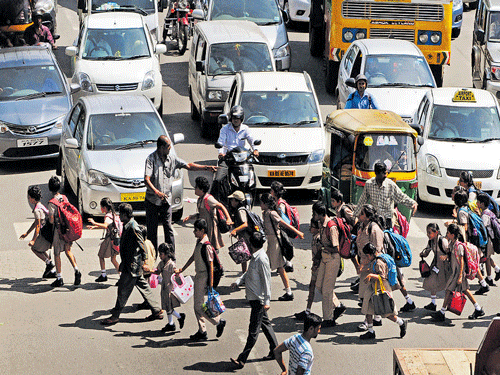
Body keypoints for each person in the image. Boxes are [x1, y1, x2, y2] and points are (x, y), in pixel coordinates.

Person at [144, 135, 216, 253]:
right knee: (152, 231)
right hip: (152, 201)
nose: (170, 149)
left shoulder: (172, 158)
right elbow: (146, 179)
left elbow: (188, 166)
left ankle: (170, 257)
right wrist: (157, 192)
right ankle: (152, 257)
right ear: (161, 148)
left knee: (168, 229)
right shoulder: (151, 159)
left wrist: (206, 167)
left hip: (165, 201)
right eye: (168, 147)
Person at [101, 203, 163, 325]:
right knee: (144, 287)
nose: (119, 216)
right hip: (132, 265)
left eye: (121, 214)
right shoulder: (128, 225)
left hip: (132, 266)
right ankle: (156, 310)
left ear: (125, 214)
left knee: (122, 290)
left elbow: (141, 244)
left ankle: (115, 316)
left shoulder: (134, 227)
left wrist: (145, 261)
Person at [230, 231, 279, 369]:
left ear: (252, 244)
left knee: (253, 331)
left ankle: (242, 359)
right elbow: (249, 273)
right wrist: (238, 281)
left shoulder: (262, 259)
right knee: (266, 325)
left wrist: (267, 301)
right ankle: (275, 350)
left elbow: (266, 281)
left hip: (258, 300)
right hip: (254, 299)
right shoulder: (255, 257)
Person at [174, 219, 226, 341]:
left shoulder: (206, 245)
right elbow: (193, 257)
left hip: (204, 277)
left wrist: (211, 285)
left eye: (196, 230)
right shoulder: (199, 242)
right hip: (198, 277)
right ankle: (202, 331)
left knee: (198, 306)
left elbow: (211, 266)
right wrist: (182, 269)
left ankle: (218, 322)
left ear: (202, 230)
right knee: (197, 305)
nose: (194, 232)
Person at [431, 224, 485, 322]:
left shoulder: (458, 246)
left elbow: (462, 262)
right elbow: (450, 254)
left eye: (448, 232)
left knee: (448, 290)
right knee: (465, 290)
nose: (446, 234)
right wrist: (446, 256)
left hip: (458, 273)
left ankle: (442, 312)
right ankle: (478, 309)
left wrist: (460, 276)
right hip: (455, 272)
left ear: (452, 234)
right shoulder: (452, 244)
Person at [260, 193, 304, 301]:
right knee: (272, 267)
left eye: (261, 202)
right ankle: (286, 292)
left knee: (276, 267)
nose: (260, 204)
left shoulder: (272, 213)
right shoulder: (265, 213)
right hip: (271, 243)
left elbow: (284, 223)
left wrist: (297, 232)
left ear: (265, 204)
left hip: (275, 243)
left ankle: (284, 292)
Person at [359, 243, 408, 340]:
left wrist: (370, 276)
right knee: (368, 309)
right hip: (373, 287)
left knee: (386, 312)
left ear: (370, 254)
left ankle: (401, 322)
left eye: (367, 255)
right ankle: (370, 331)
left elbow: (382, 276)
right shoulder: (376, 259)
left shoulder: (378, 262)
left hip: (381, 288)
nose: (367, 258)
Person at [311, 201, 346, 327]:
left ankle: (328, 319)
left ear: (320, 214)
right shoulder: (321, 224)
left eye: (314, 213)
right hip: (325, 258)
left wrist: (324, 248)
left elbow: (336, 248)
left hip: (332, 259)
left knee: (326, 290)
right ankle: (338, 305)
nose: (313, 216)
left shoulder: (331, 227)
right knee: (319, 285)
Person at [353, 162, 418, 230]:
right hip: (374, 220)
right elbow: (362, 201)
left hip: (387, 221)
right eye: (383, 173)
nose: (385, 175)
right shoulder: (369, 184)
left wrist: (413, 203)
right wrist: (355, 216)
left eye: (386, 173)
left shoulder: (390, 185)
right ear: (376, 173)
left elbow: (401, 197)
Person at [452, 189, 490, 295]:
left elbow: (464, 227)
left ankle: (461, 285)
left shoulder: (461, 212)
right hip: (469, 242)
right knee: (472, 263)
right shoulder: (466, 208)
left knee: (467, 263)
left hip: (466, 242)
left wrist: (463, 244)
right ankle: (483, 284)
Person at [355, 204, 385, 331]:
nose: (359, 215)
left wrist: (365, 264)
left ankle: (367, 322)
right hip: (365, 264)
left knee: (367, 296)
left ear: (367, 216)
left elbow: (377, 250)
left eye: (361, 213)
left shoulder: (374, 229)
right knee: (371, 293)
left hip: (371, 267)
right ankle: (376, 317)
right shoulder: (363, 226)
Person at [47, 176, 81, 287]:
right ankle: (76, 270)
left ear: (50, 188)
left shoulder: (52, 203)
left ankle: (59, 277)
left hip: (59, 231)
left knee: (57, 254)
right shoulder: (65, 198)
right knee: (68, 250)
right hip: (68, 229)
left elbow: (51, 220)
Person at [182, 176, 232, 251]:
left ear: (201, 189)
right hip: (203, 228)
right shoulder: (200, 199)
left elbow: (221, 206)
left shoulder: (208, 199)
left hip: (210, 228)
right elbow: (202, 214)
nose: (195, 189)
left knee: (210, 249)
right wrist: (191, 217)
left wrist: (228, 218)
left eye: (196, 187)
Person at [19, 185, 56, 279]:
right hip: (49, 232)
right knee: (42, 250)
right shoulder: (40, 205)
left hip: (45, 234)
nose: (28, 199)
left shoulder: (37, 210)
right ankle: (52, 269)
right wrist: (27, 233)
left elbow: (38, 226)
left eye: (29, 197)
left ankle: (49, 263)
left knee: (34, 249)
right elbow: (36, 223)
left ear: (32, 199)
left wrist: (33, 240)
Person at [293, 219, 322, 320]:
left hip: (318, 267)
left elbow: (320, 251)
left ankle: (338, 305)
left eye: (312, 227)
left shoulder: (318, 238)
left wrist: (316, 264)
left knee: (323, 289)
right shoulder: (315, 237)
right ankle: (307, 310)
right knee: (312, 287)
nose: (310, 229)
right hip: (316, 266)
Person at [87, 198, 121, 282]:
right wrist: (95, 227)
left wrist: (94, 223)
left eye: (101, 207)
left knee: (101, 256)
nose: (101, 208)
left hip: (110, 240)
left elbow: (106, 225)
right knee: (113, 259)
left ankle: (103, 275)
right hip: (116, 239)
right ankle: (121, 276)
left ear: (105, 207)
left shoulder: (107, 216)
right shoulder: (113, 214)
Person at [154, 243, 186, 333]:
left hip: (169, 289)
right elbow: (157, 271)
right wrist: (150, 271)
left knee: (168, 307)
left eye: (161, 254)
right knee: (166, 306)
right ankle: (171, 324)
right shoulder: (161, 263)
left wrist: (177, 272)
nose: (160, 256)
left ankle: (179, 316)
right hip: (164, 288)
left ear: (167, 254)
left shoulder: (171, 264)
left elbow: (176, 273)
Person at [420, 223, 451, 311]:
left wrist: (445, 257)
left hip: (445, 266)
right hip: (436, 264)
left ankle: (448, 304)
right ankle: (433, 303)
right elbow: (427, 252)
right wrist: (423, 254)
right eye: (427, 232)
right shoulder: (431, 241)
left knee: (448, 285)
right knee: (431, 281)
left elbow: (450, 253)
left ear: (436, 232)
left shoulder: (442, 241)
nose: (428, 234)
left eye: (430, 232)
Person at [477, 193, 500, 285]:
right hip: (492, 238)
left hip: (488, 240)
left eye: (478, 202)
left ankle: (489, 278)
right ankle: (497, 270)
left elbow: (483, 227)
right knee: (487, 257)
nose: (476, 203)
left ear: (482, 204)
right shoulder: (490, 212)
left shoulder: (484, 215)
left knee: (486, 258)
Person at [271, 181, 294, 273]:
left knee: (282, 246)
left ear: (275, 192)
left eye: (271, 190)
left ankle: (286, 264)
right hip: (279, 229)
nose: (270, 192)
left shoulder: (281, 204)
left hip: (282, 229)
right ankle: (283, 264)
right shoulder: (276, 201)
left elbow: (281, 218)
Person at [228, 190, 251, 273]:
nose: (231, 201)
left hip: (246, 237)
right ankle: (244, 274)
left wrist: (235, 230)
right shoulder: (238, 210)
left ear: (236, 201)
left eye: (232, 199)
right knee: (243, 255)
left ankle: (247, 274)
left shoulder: (241, 211)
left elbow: (245, 224)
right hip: (243, 236)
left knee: (246, 255)